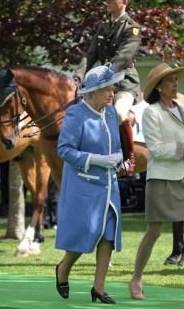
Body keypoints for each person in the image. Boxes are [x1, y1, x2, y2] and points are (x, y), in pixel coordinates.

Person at [129, 63, 184, 305]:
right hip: (161, 179)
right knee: (154, 231)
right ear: (159, 87)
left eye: (176, 80)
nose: (175, 84)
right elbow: (156, 150)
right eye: (170, 81)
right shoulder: (151, 113)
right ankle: (136, 279)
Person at [55, 64, 124, 304]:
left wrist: (118, 158)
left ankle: (99, 288)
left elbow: (114, 146)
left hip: (109, 186)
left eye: (112, 88)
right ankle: (63, 268)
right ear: (92, 92)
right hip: (84, 187)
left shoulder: (112, 113)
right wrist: (95, 160)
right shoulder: (76, 114)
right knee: (84, 236)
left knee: (108, 236)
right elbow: (64, 150)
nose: (111, 93)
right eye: (106, 89)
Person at [74, 0, 141, 174]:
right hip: (103, 85)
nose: (107, 3)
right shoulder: (103, 28)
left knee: (119, 114)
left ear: (124, 2)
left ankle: (129, 158)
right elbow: (90, 54)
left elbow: (123, 58)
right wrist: (78, 76)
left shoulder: (132, 28)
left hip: (123, 84)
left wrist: (103, 75)